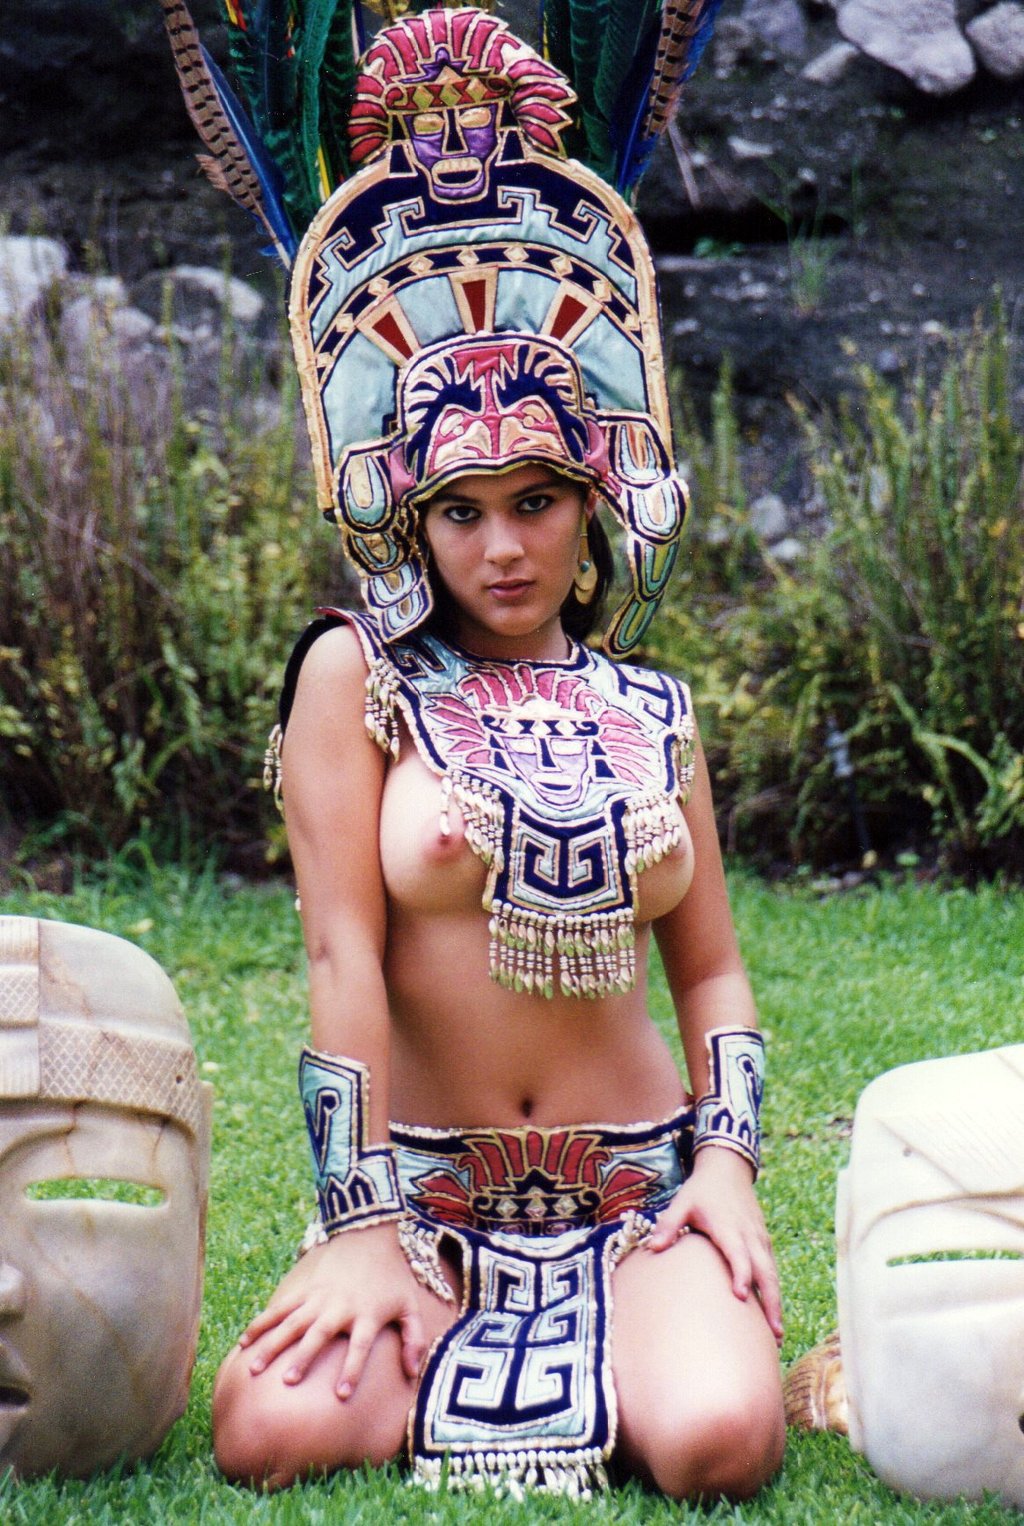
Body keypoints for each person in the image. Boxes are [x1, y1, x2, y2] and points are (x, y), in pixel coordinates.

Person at [162, 0, 784, 1502]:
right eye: (461, 510)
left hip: (638, 1193)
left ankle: (662, 1342)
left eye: (535, 501)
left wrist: (728, 1168)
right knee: (267, 1433)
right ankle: (457, 1324)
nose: (502, 548)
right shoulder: (357, 678)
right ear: (409, 514)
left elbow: (710, 971)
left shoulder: (655, 709)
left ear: (592, 499)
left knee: (718, 1441)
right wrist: (362, 1224)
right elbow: (341, 959)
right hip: (428, 1207)